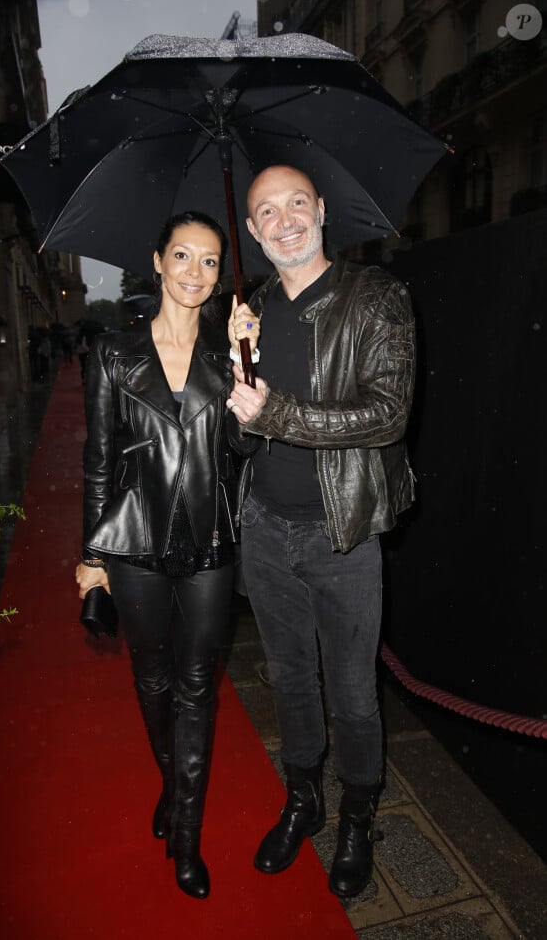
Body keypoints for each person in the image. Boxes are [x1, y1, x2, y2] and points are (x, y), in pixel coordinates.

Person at [226, 165, 416, 898]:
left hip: (343, 532)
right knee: (292, 681)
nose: (282, 221)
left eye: (294, 204)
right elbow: (241, 441)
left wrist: (278, 414)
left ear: (322, 211)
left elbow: (387, 413)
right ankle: (303, 797)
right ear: (250, 229)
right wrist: (234, 379)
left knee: (354, 691)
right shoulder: (252, 308)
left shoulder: (377, 297)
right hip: (265, 530)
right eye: (264, 211)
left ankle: (358, 813)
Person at [75, 210, 260, 900]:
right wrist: (92, 554)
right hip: (137, 542)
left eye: (210, 261)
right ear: (156, 262)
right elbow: (97, 462)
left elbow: (244, 451)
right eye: (182, 256)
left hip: (211, 540)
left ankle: (186, 834)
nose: (195, 272)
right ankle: (174, 786)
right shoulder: (114, 353)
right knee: (152, 682)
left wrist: (250, 366)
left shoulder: (228, 348)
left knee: (195, 688)